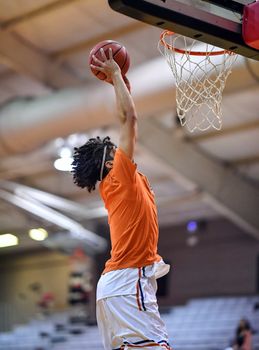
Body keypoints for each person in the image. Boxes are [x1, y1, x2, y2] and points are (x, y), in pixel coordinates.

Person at [72, 47, 172, 350]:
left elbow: (123, 112)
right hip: (129, 282)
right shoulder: (119, 177)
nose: (117, 148)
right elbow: (128, 117)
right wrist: (115, 73)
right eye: (111, 149)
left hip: (114, 286)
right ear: (106, 163)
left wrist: (122, 85)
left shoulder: (116, 183)